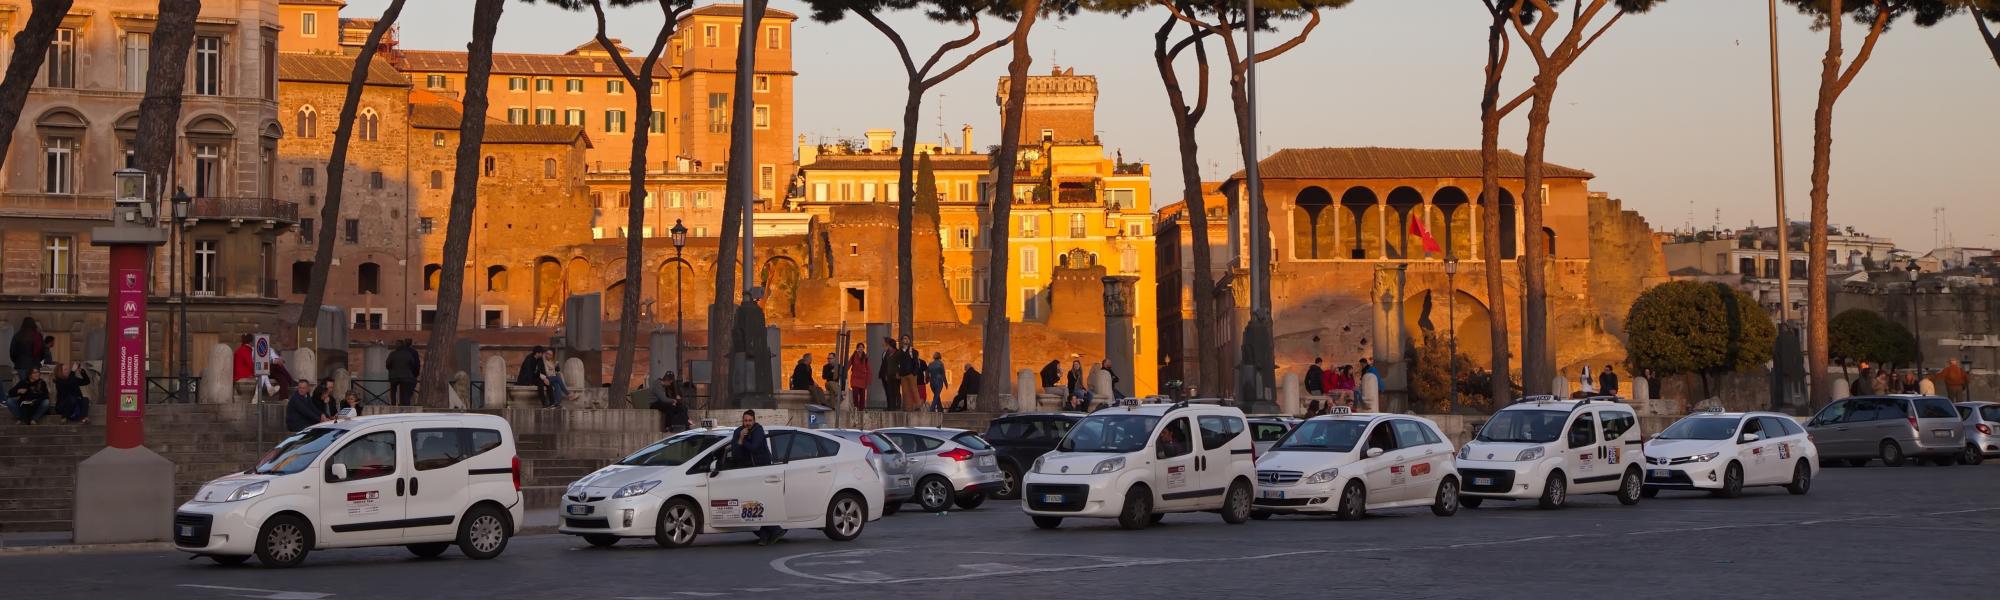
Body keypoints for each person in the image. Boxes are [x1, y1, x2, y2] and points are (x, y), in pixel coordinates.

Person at [726, 410, 782, 545]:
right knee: (747, 505)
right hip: (745, 471)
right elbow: (735, 451)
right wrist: (740, 438)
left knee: (756, 503)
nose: (747, 423)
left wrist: (742, 441)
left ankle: (770, 532)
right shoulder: (738, 431)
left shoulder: (758, 430)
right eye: (745, 421)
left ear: (754, 421)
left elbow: (754, 447)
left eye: (750, 421)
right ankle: (771, 531)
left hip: (760, 470)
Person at [386, 338, 421, 407]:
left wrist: (392, 369)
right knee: (404, 391)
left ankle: (393, 404)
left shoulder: (392, 354)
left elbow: (387, 365)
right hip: (405, 376)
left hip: (394, 376)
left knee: (393, 390)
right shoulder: (408, 354)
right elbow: (412, 364)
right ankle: (404, 405)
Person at [876, 337, 903, 410]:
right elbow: (885, 365)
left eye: (884, 342)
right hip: (887, 375)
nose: (882, 343)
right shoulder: (886, 353)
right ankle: (891, 406)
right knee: (889, 391)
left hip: (895, 375)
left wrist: (898, 373)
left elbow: (900, 364)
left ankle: (897, 406)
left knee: (896, 391)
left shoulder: (897, 352)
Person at [897, 336, 922, 413]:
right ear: (901, 341)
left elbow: (917, 363)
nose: (906, 340)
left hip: (911, 374)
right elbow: (897, 363)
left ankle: (918, 406)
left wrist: (914, 373)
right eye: (904, 338)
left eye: (907, 339)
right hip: (903, 375)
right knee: (905, 392)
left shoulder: (913, 351)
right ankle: (908, 408)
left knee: (914, 390)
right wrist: (898, 373)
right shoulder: (899, 352)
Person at [847, 342, 872, 411]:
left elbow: (868, 368)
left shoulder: (865, 357)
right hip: (855, 377)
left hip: (863, 378)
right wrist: (844, 371)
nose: (860, 348)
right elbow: (849, 364)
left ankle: (862, 408)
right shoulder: (854, 356)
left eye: (862, 347)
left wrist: (869, 378)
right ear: (857, 348)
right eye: (859, 347)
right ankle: (856, 406)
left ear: (863, 349)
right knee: (855, 392)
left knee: (862, 394)